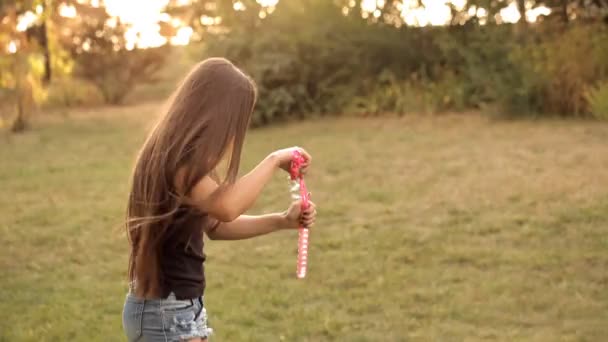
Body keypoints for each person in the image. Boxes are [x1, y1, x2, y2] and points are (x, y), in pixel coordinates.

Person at [122, 58, 317, 342]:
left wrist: (281, 221)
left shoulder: (178, 157)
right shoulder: (179, 163)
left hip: (177, 310)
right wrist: (274, 159)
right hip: (167, 314)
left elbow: (215, 226)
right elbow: (227, 207)